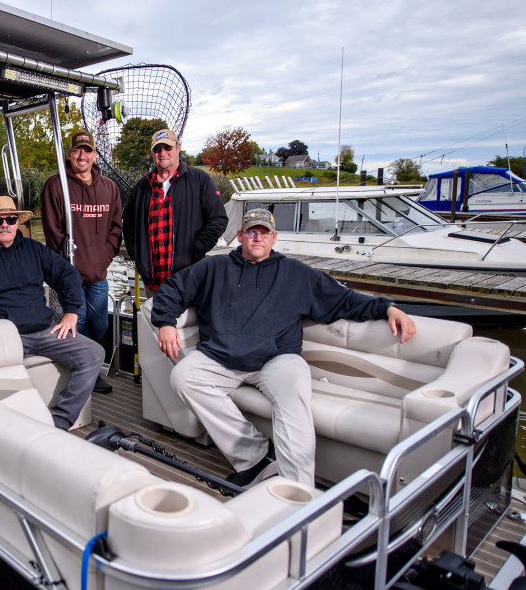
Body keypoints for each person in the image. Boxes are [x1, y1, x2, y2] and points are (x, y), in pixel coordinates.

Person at [151, 208, 416, 488]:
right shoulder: (213, 267)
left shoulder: (296, 273)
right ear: (240, 236)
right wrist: (166, 322)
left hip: (276, 359)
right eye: (251, 232)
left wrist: (388, 308)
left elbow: (344, 299)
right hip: (221, 356)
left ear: (274, 238)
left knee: (294, 395)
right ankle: (256, 457)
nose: (257, 238)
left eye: (264, 233)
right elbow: (172, 289)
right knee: (183, 376)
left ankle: (298, 490)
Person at [0, 196, 104, 430]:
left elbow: (68, 275)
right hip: (3, 337)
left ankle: (59, 422)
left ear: (17, 222)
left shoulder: (34, 249)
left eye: (10, 219)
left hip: (45, 329)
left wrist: (71, 311)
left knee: (94, 354)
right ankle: (1, 429)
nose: (5, 225)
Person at [41, 130, 122, 393]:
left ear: (95, 155)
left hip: (98, 274)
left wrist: (104, 257)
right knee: (80, 322)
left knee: (100, 324)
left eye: (87, 150)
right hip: (68, 275)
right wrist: (65, 266)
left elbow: (116, 228)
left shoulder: (109, 187)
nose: (82, 155)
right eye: (77, 150)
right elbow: (53, 232)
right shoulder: (56, 185)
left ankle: (92, 368)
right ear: (69, 154)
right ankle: (82, 374)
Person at [122, 128, 228, 293]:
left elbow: (218, 219)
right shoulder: (142, 186)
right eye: (157, 149)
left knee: (190, 320)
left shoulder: (200, 180)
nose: (162, 153)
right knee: (154, 319)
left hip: (189, 280)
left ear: (178, 148)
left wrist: (195, 249)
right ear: (152, 154)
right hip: (153, 284)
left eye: (168, 148)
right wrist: (139, 256)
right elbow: (128, 224)